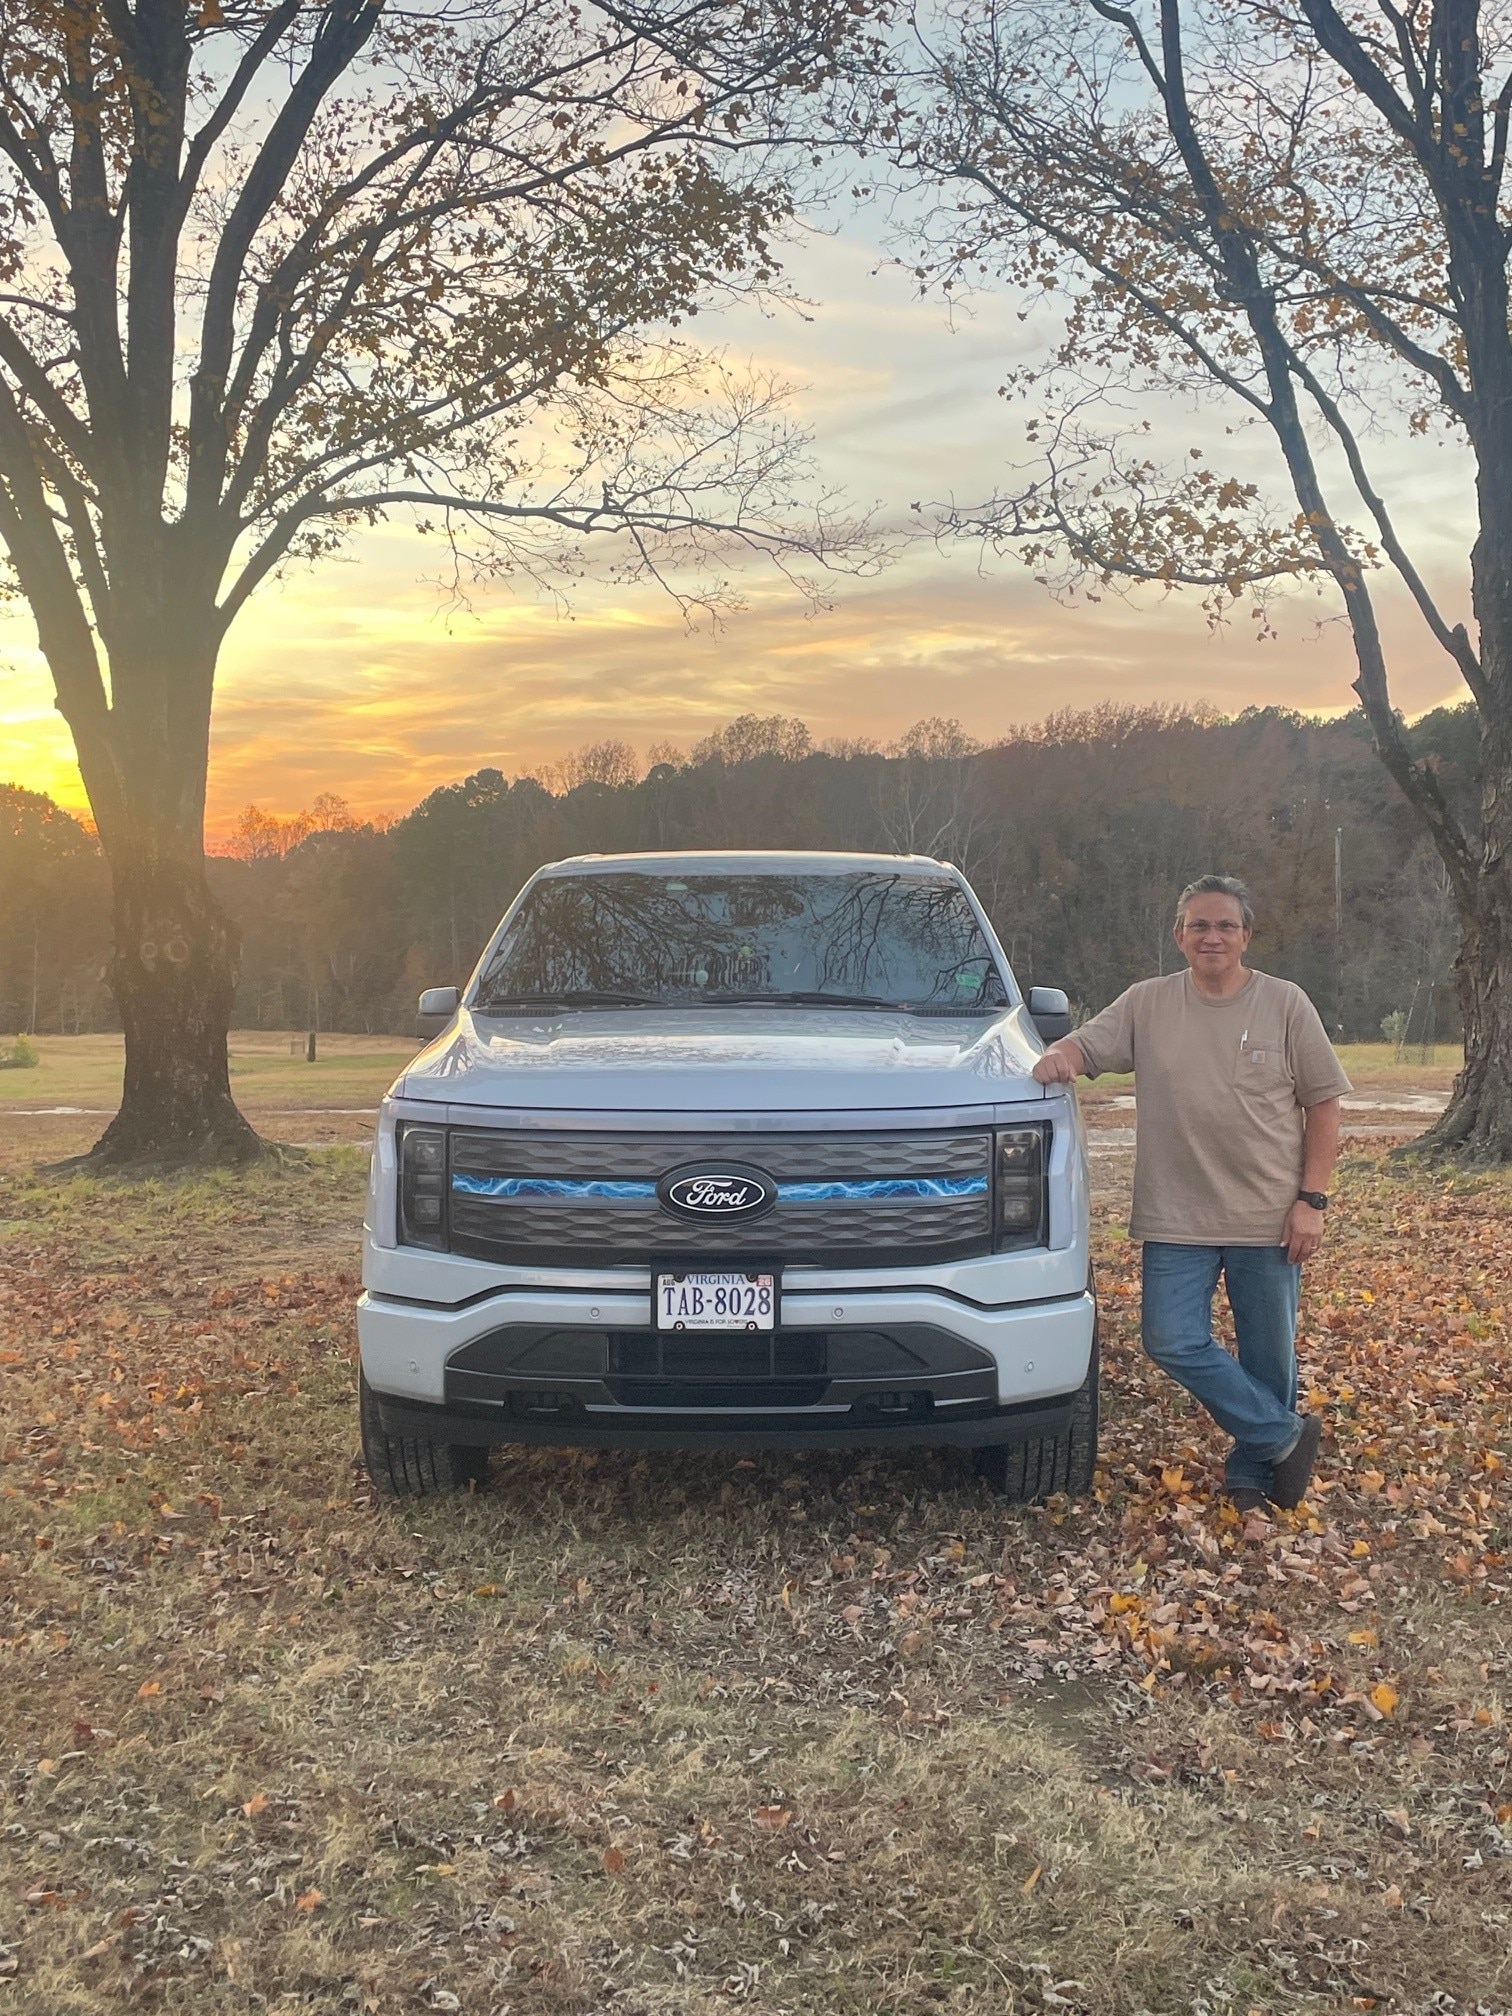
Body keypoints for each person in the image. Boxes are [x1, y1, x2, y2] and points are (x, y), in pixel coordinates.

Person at [1033, 874, 1351, 1510]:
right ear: (1179, 936)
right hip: (1177, 1216)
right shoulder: (1148, 1003)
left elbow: (1324, 1106)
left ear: (1245, 936)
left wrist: (1311, 1201)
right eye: (1199, 926)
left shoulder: (1285, 1003)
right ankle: (1282, 1436)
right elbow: (1086, 1044)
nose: (1212, 937)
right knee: (1170, 1338)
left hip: (1268, 1216)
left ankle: (1255, 1476)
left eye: (1225, 926)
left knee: (1269, 1357)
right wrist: (1060, 1053)